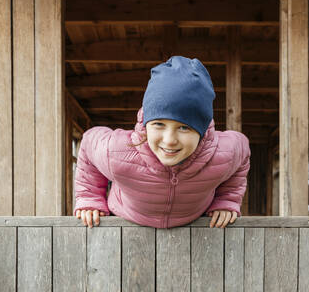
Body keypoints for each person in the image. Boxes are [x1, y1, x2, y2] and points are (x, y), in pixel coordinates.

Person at [73, 56, 250, 229]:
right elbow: (89, 143)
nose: (169, 140)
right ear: (145, 124)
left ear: (202, 132)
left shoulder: (224, 153)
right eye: (159, 124)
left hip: (193, 224)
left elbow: (242, 151)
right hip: (125, 219)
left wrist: (226, 200)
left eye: (184, 128)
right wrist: (89, 198)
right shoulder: (116, 151)